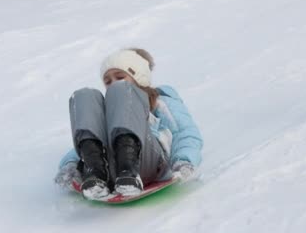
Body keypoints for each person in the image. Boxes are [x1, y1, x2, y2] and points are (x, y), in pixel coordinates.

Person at [54, 48, 204, 200]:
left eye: (120, 77)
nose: (112, 84)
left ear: (138, 77)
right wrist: (70, 165)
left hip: (148, 163)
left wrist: (184, 160)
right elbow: (91, 135)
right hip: (111, 169)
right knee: (85, 95)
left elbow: (184, 131)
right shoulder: (108, 107)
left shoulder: (160, 102)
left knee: (122, 91)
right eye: (108, 81)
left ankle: (129, 170)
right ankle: (95, 173)